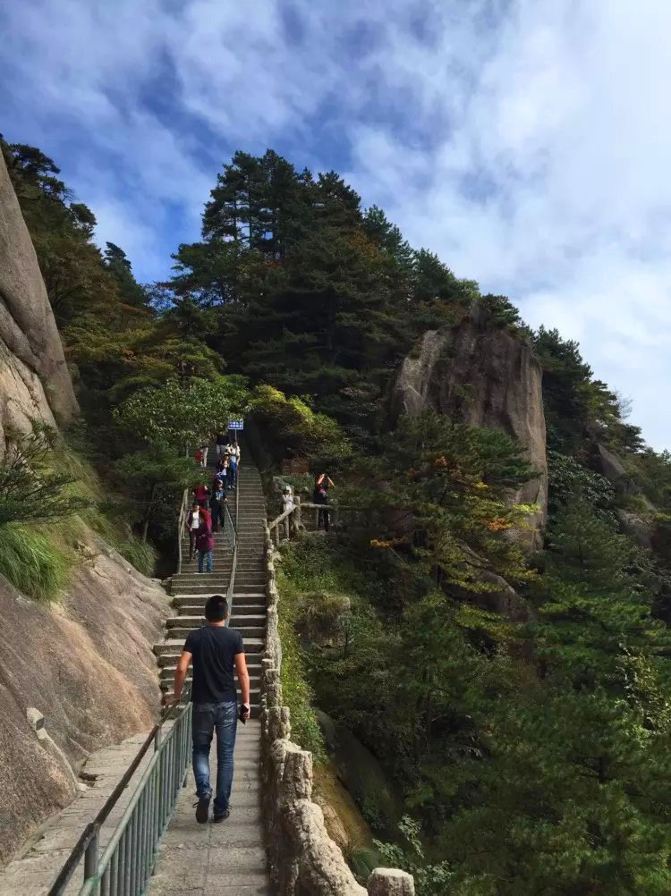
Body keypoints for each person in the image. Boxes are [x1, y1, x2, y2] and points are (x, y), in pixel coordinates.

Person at [166, 595, 251, 823]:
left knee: (201, 750)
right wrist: (246, 702)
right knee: (225, 757)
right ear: (226, 615)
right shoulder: (234, 637)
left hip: (202, 703)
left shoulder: (195, 636)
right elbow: (242, 672)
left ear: (206, 614)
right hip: (227, 704)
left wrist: (176, 695)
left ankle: (204, 790)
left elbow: (181, 668)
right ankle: (221, 808)